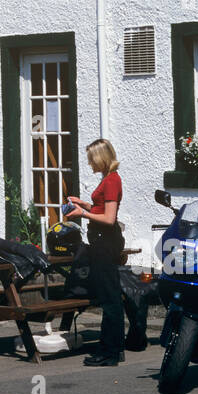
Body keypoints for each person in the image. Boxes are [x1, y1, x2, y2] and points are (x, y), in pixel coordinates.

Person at [66, 138, 126, 366]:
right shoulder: (108, 179)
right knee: (108, 295)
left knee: (109, 298)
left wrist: (82, 214)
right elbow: (101, 209)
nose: (90, 164)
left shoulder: (111, 181)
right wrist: (82, 203)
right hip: (102, 240)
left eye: (92, 159)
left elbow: (109, 219)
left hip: (105, 241)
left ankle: (109, 352)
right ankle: (113, 349)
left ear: (101, 158)